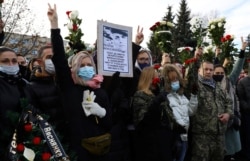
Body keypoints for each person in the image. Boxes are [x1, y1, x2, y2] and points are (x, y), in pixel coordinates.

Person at [47, 4, 112, 161]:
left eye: (89, 65)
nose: (86, 68)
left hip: (100, 150)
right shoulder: (69, 87)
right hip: (77, 151)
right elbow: (61, 61)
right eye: (81, 65)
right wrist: (54, 26)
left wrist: (101, 112)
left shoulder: (100, 91)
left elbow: (109, 123)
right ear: (74, 69)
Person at [190, 61, 233, 161]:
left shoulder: (218, 86)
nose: (208, 72)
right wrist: (196, 59)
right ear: (199, 70)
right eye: (206, 69)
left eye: (211, 70)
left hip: (219, 134)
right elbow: (190, 77)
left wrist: (228, 114)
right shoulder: (196, 86)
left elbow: (229, 102)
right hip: (202, 135)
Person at [213, 37, 247, 161]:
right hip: (215, 124)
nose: (219, 75)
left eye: (222, 73)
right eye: (216, 73)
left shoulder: (230, 81)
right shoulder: (209, 84)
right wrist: (216, 55)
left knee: (229, 152)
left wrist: (242, 50)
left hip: (230, 122)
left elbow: (237, 68)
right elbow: (213, 66)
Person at [132, 66, 174, 161]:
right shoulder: (140, 95)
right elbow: (143, 120)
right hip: (149, 143)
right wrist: (156, 102)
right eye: (155, 77)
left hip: (163, 140)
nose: (157, 80)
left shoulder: (157, 94)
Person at [161, 64, 198, 161]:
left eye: (176, 78)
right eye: (172, 79)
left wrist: (194, 96)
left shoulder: (181, 95)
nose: (175, 81)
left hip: (184, 137)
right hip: (174, 138)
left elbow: (190, 112)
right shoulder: (165, 97)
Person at [0, 46, 30, 160]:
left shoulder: (25, 84)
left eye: (14, 61)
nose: (11, 64)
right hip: (4, 146)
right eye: (5, 61)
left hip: (27, 142)